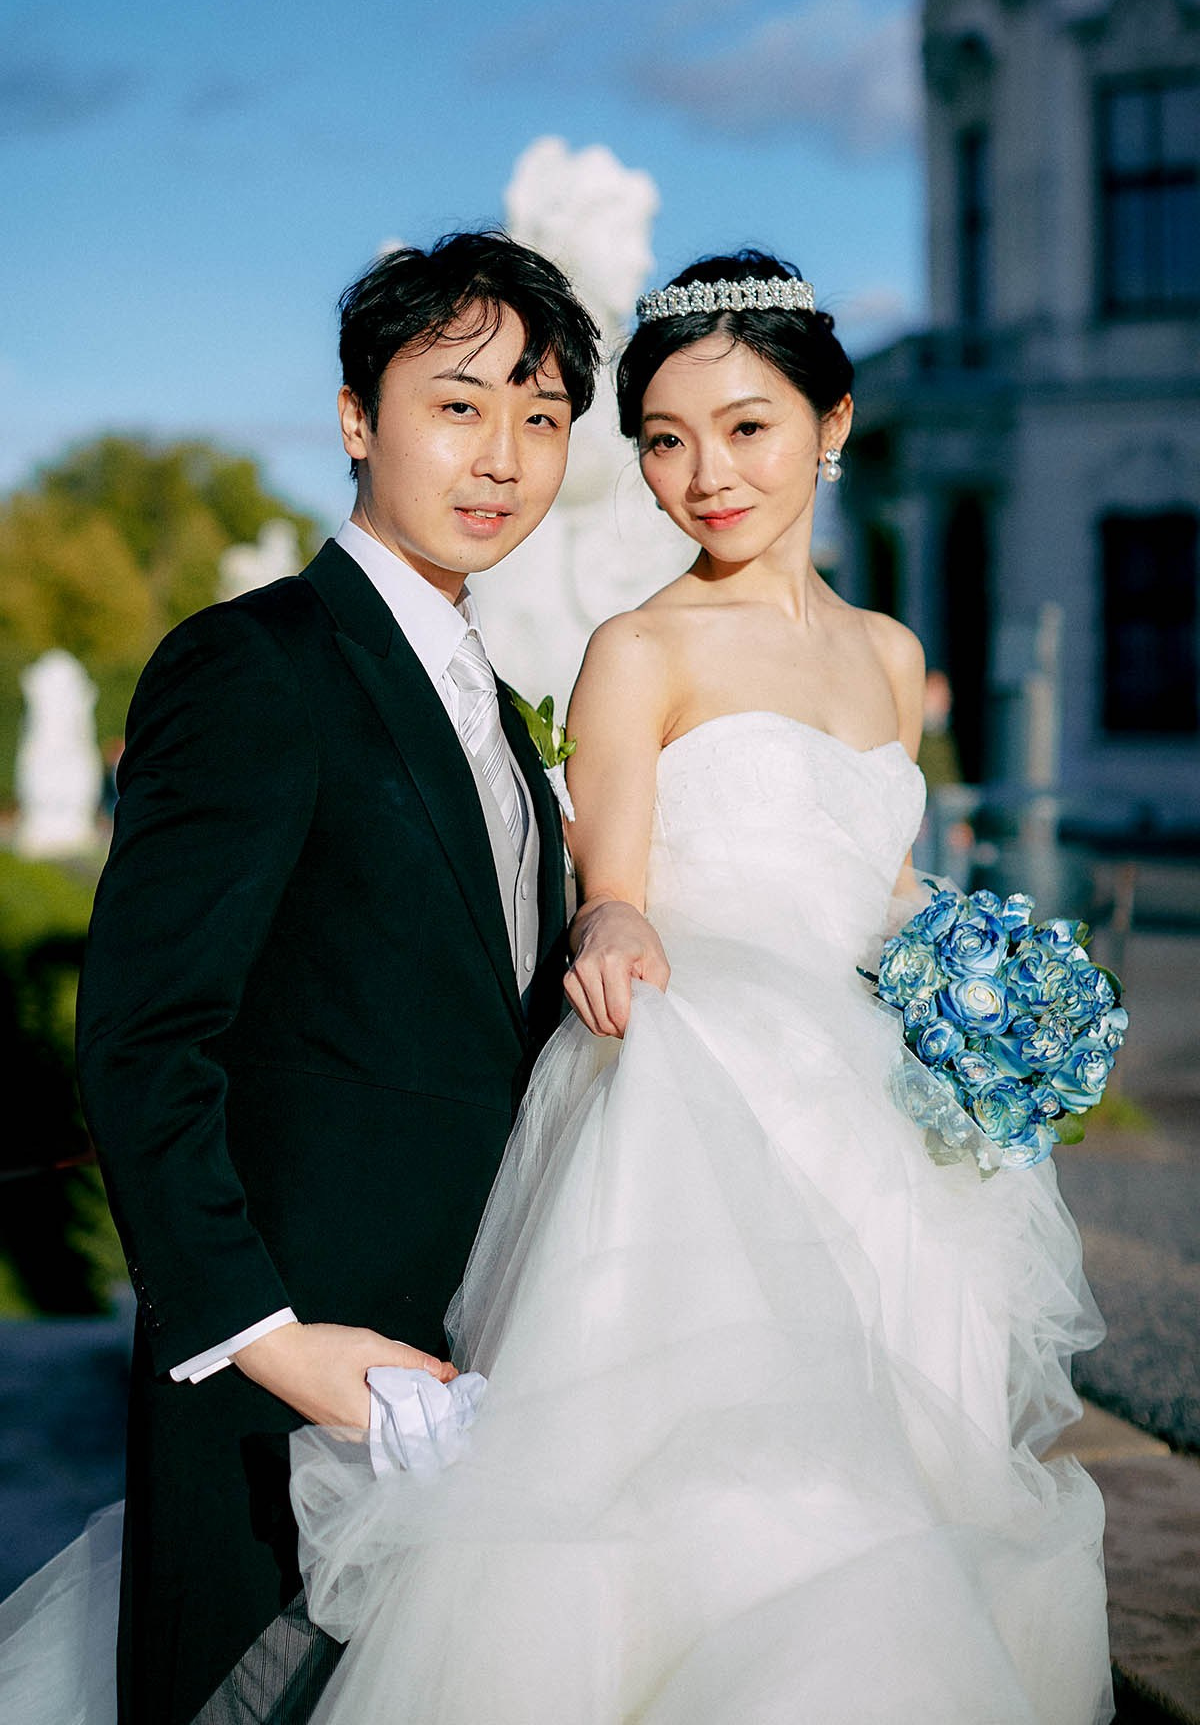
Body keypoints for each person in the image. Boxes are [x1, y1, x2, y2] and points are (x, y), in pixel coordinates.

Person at [260, 252, 1114, 1723]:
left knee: (923, 1478)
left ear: (832, 425)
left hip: (892, 1128)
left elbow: (878, 881)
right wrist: (609, 932)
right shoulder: (639, 648)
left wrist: (996, 985)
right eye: (664, 438)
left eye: (747, 427)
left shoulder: (891, 655)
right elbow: (618, 886)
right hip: (718, 1094)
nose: (703, 474)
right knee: (734, 1498)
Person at [68, 230, 601, 1725]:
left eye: (543, 416)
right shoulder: (257, 665)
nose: (503, 455)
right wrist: (271, 1341)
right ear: (358, 417)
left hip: (473, 1372)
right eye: (459, 402)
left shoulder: (498, 708)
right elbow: (142, 1038)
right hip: (281, 1387)